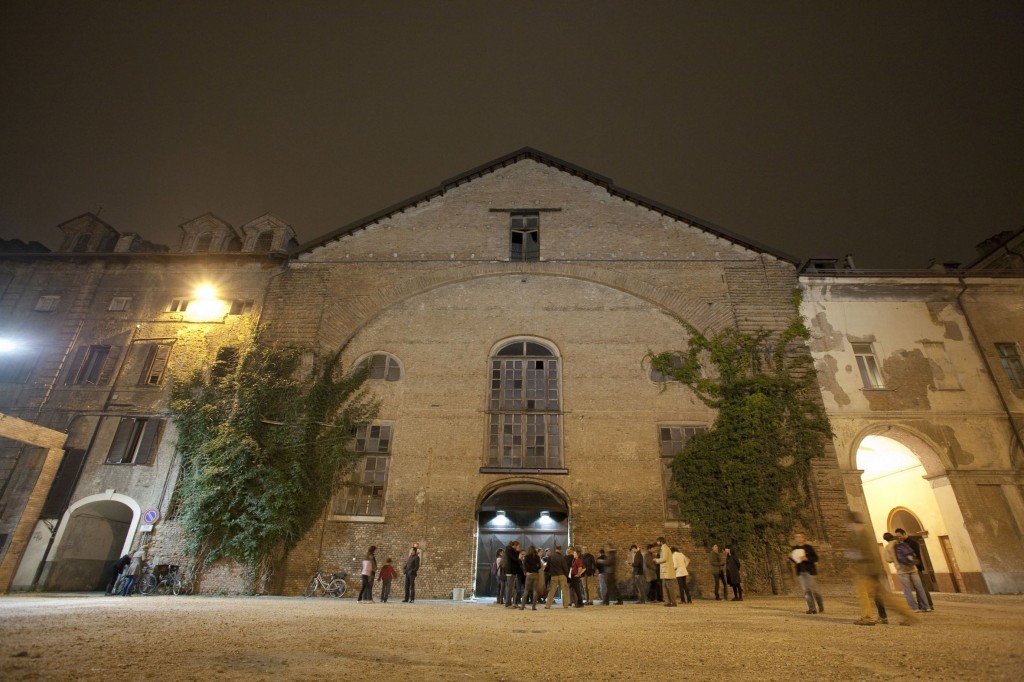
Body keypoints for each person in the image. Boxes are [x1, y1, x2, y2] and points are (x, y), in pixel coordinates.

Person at [847, 512, 916, 626]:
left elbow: (868, 554)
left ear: (855, 523)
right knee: (884, 596)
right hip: (869, 570)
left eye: (850, 524)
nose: (849, 527)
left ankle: (867, 617)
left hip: (867, 570)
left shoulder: (864, 534)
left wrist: (853, 555)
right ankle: (909, 615)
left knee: (864, 594)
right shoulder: (862, 533)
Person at [887, 530, 930, 612]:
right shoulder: (904, 543)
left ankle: (914, 608)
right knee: (920, 588)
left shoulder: (889, 546)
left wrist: (895, 560)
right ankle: (926, 606)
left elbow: (888, 559)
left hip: (902, 570)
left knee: (907, 590)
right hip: (913, 568)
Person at [789, 533, 824, 614]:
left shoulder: (809, 548)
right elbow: (795, 561)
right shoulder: (794, 549)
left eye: (800, 537)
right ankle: (812, 608)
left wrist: (807, 558)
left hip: (810, 571)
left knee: (814, 590)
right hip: (801, 572)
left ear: (803, 538)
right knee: (806, 590)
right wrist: (790, 557)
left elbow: (816, 558)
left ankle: (820, 606)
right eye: (796, 537)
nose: (798, 538)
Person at [654, 537, 679, 607]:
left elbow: (664, 559)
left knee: (670, 588)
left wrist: (657, 560)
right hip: (665, 571)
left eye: (658, 541)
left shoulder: (665, 548)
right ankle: (667, 602)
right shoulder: (663, 548)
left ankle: (673, 602)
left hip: (667, 571)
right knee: (665, 587)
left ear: (661, 541)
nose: (657, 543)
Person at [503, 541, 523, 608]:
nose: (519, 548)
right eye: (518, 546)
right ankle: (508, 603)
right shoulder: (509, 550)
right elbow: (514, 559)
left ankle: (510, 602)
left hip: (512, 571)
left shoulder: (511, 550)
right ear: (515, 545)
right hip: (510, 571)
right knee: (510, 588)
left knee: (511, 588)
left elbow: (515, 560)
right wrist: (517, 553)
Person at [522, 545, 542, 610]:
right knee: (535, 590)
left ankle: (522, 606)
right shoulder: (537, 557)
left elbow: (524, 565)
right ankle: (533, 607)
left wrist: (527, 571)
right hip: (536, 574)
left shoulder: (526, 556)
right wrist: (536, 568)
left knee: (526, 590)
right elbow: (539, 566)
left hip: (529, 574)